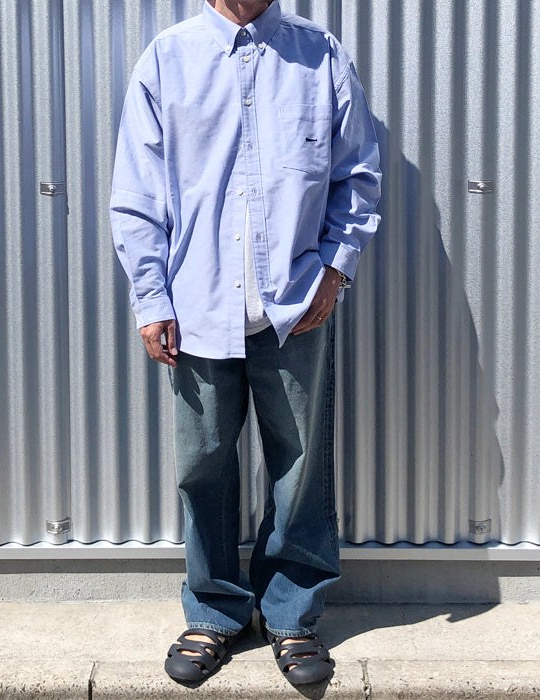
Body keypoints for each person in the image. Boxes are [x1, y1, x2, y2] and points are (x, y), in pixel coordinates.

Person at [110, 0, 381, 686]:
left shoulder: (322, 56)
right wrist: (151, 297)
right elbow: (138, 191)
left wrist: (335, 270)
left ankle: (292, 615)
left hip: (295, 306)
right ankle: (214, 611)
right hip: (196, 304)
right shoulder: (168, 59)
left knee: (300, 465)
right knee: (202, 464)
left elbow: (357, 173)